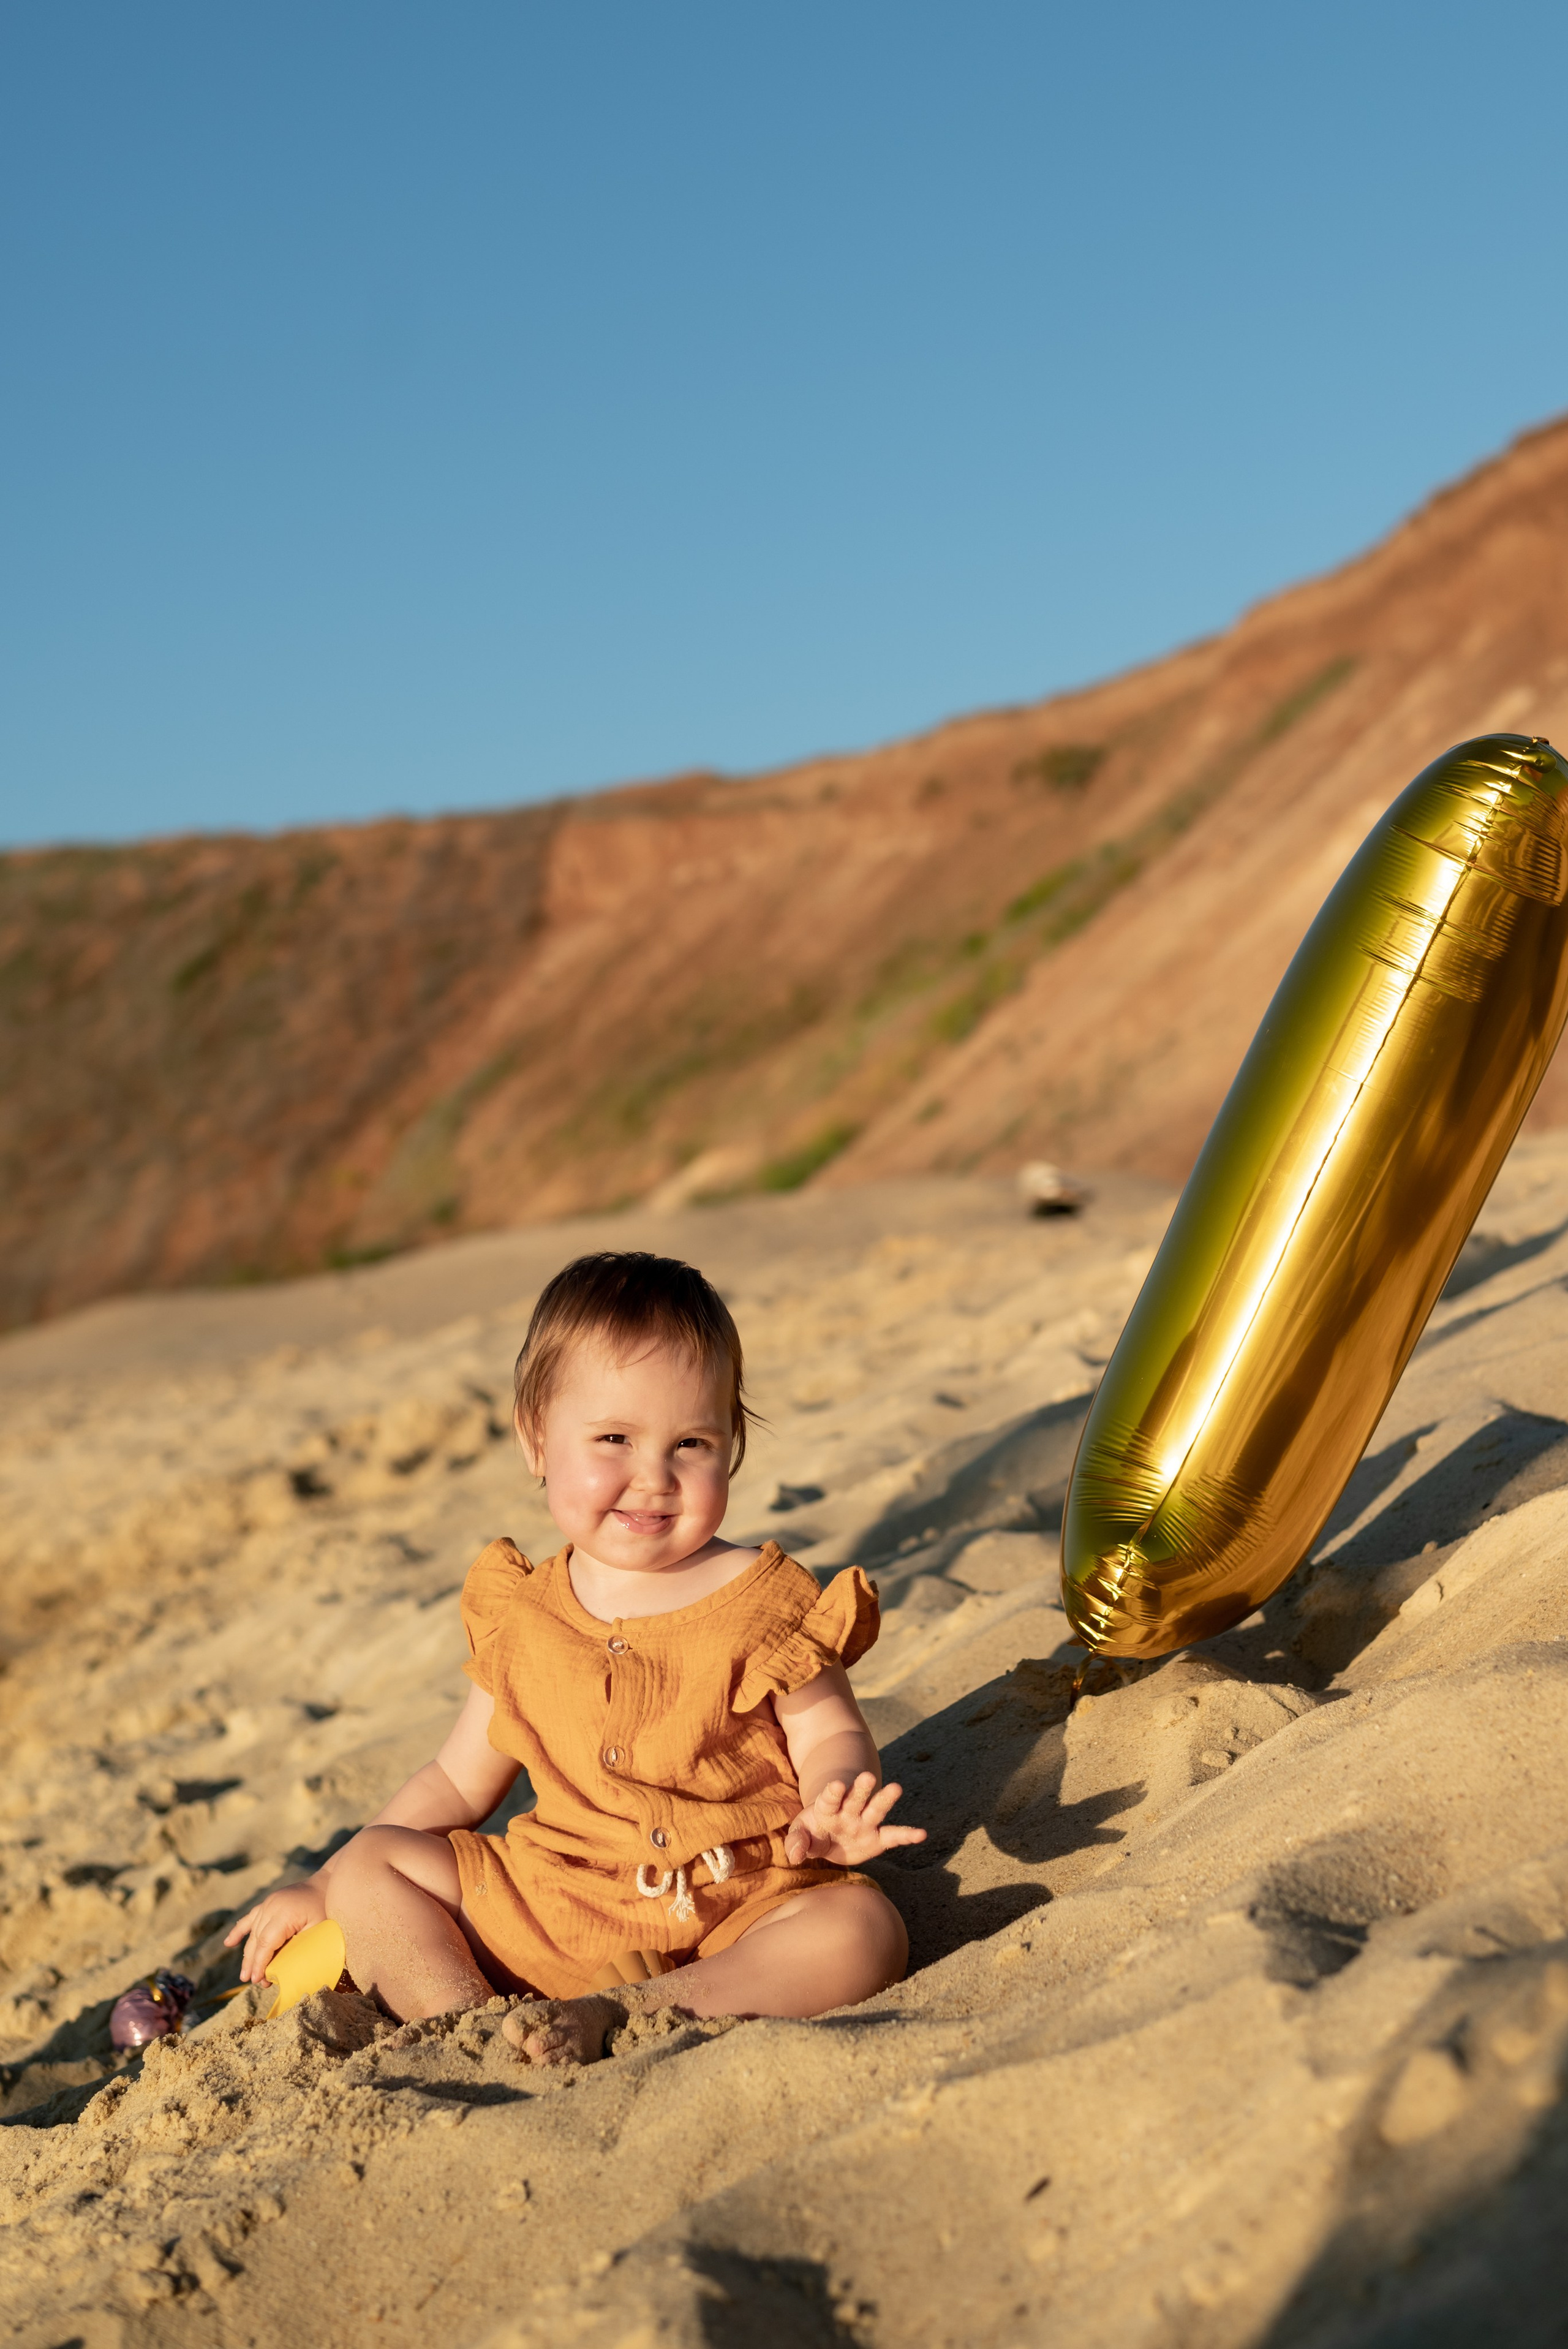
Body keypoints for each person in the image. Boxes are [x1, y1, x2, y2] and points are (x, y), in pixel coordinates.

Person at [225, 1250, 924, 2064]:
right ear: (537, 1441)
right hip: (556, 1909)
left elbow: (828, 1731)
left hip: (732, 1904)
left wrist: (834, 1799)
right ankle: (471, 2027)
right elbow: (455, 1783)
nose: (652, 1477)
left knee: (862, 1931)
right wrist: (323, 1882)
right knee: (371, 1865)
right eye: (615, 1438)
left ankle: (634, 2009)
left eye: (691, 1442)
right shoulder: (525, 1615)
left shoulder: (763, 1599)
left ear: (731, 1443)